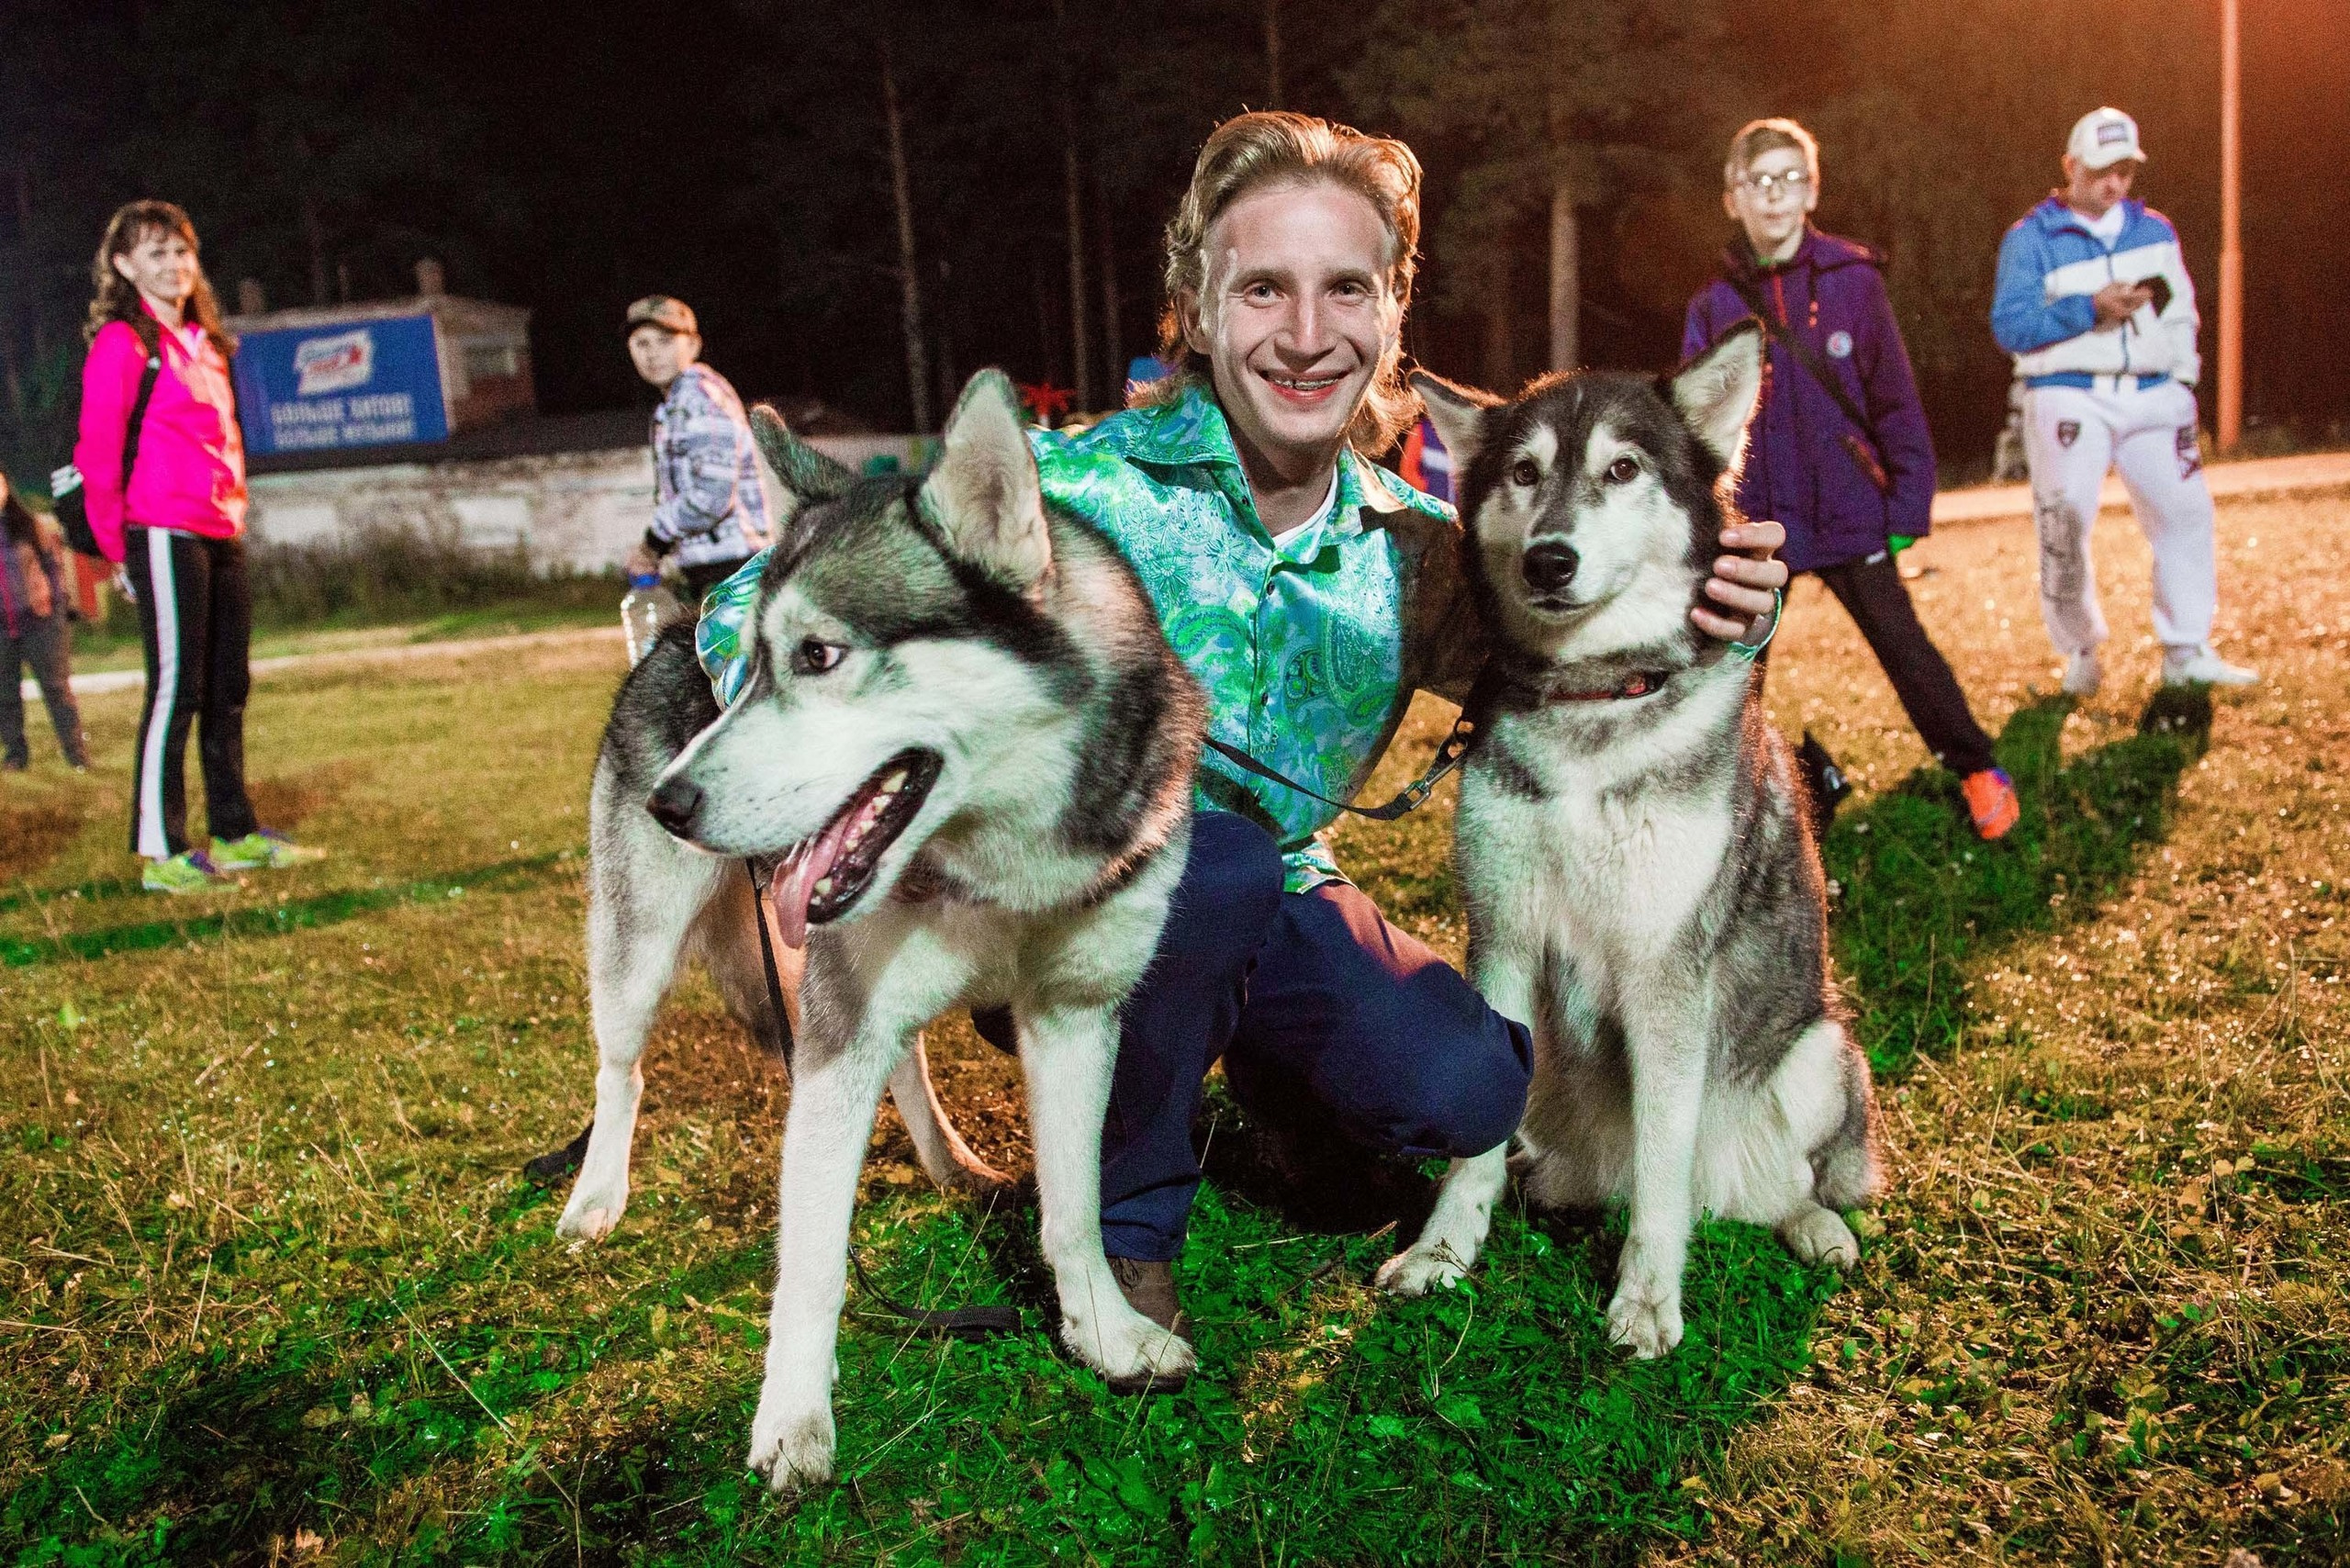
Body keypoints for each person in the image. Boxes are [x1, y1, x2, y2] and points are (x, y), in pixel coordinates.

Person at [697, 112, 1788, 1335]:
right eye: (1264, 288)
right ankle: (1121, 1235)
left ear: (1390, 312)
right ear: (1200, 305)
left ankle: (1276, 1081)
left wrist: (1731, 608)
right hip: (1067, 900)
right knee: (1204, 860)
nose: (1309, 334)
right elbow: (760, 599)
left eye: (1346, 289)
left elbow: (1581, 651)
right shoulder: (1075, 487)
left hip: (1274, 898)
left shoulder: (1417, 548)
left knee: (1470, 1084)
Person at [1684, 118, 2019, 842]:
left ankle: (1976, 766)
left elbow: (1895, 400)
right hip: (1759, 527)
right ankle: (1720, 807)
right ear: (1732, 197)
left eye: (1791, 179)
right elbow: (1691, 431)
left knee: (1906, 648)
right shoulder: (1711, 308)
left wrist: (1906, 503)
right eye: (1759, 183)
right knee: (1732, 674)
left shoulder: (1854, 283)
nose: (1776, 198)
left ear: (1813, 189)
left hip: (1848, 510)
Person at [73, 200, 323, 893]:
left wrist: (235, 514)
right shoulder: (125, 344)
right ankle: (162, 851)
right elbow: (97, 455)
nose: (174, 265)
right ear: (124, 266)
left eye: (181, 251)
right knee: (175, 691)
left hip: (221, 532)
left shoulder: (206, 342)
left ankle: (236, 834)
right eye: (155, 254)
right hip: (160, 532)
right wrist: (114, 553)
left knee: (228, 689)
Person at [1991, 106, 2255, 695]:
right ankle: (2081, 653)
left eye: (2125, 172)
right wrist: (2089, 309)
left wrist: (2183, 383)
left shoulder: (2153, 230)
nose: (2114, 184)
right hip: (2068, 395)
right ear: (2071, 166)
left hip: (2153, 398)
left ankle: (2187, 651)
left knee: (2186, 515)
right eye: (2102, 170)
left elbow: (2182, 312)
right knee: (2065, 526)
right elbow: (2010, 325)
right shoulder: (2031, 237)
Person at [620, 296, 772, 603]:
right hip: (715, 571)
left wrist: (653, 543)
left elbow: (712, 496)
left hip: (735, 571)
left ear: (693, 345)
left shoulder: (700, 398)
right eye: (642, 343)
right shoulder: (674, 406)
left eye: (665, 341)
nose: (652, 354)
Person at [1, 469, 89, 772]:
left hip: (40, 622)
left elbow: (53, 567)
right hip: (2, 628)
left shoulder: (27, 524)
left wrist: (55, 606)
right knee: (5, 693)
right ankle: (15, 754)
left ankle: (77, 755)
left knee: (56, 689)